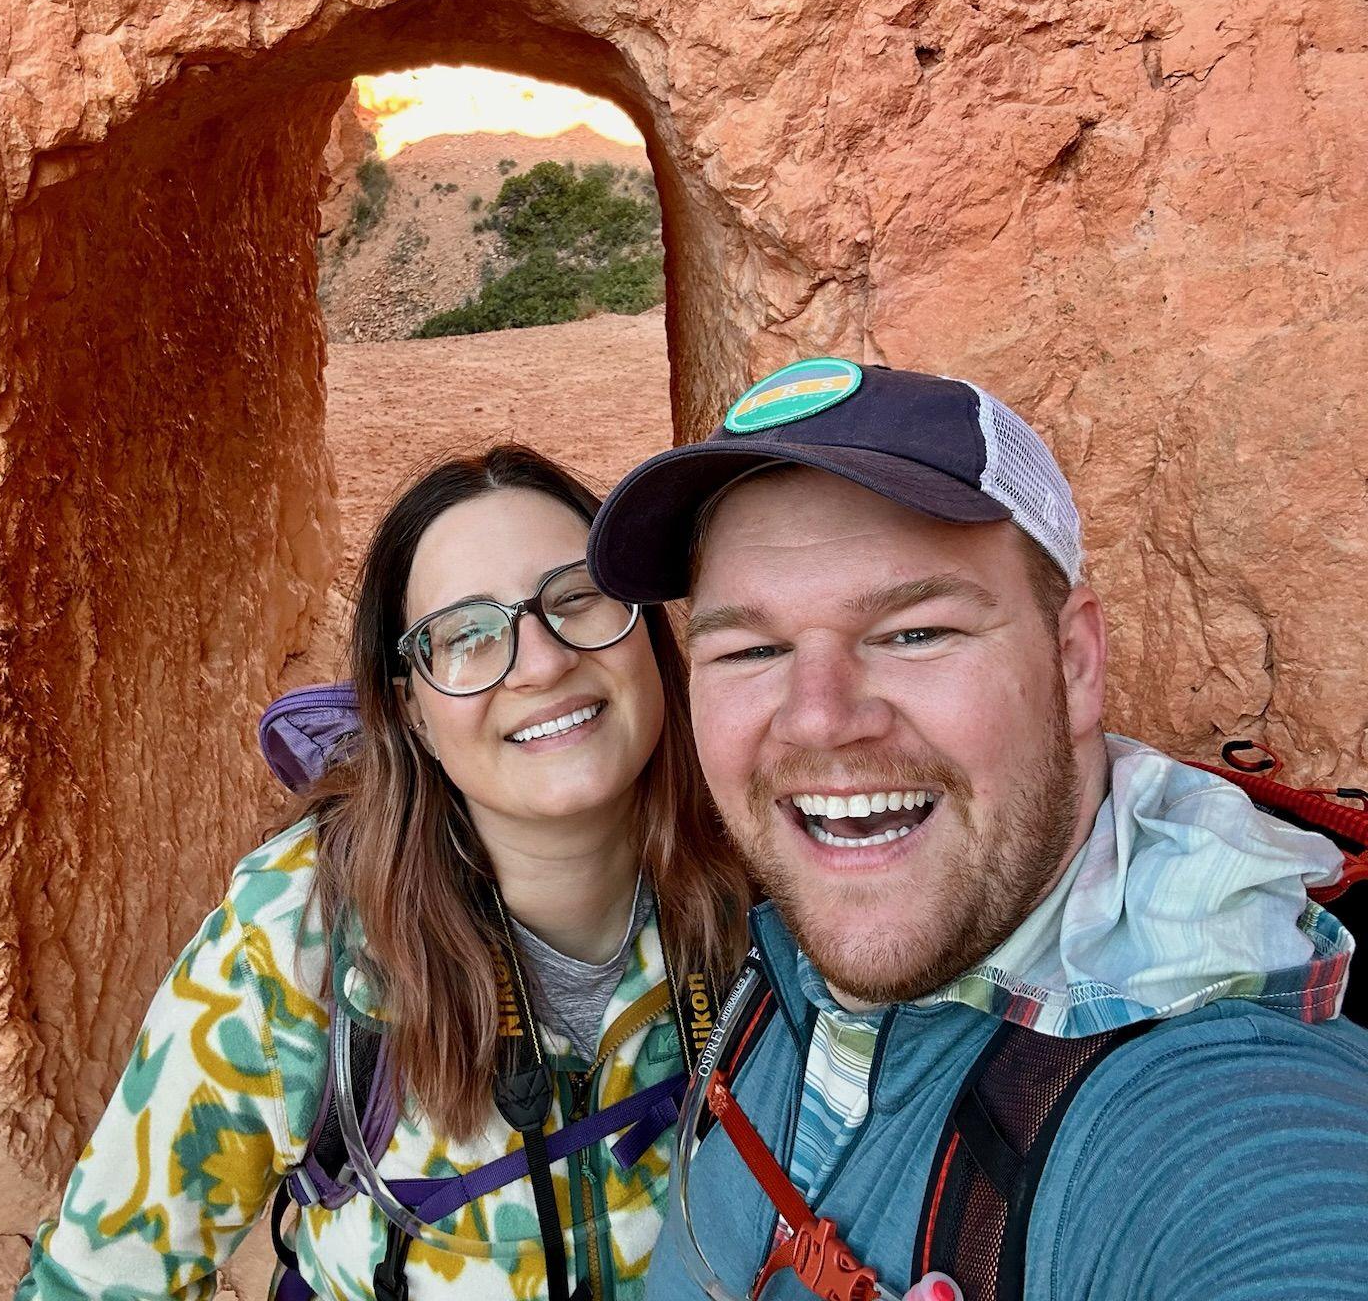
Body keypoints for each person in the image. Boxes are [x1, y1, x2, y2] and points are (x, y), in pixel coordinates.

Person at [585, 357, 1368, 1301]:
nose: (819, 718)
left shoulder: (1218, 1113)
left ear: (1074, 663)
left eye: (916, 632)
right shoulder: (790, 934)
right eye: (754, 649)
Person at [17, 445, 750, 1301]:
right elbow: (95, 1282)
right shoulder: (299, 939)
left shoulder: (764, 874)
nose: (545, 663)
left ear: (650, 634)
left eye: (577, 599)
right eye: (468, 636)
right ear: (412, 708)